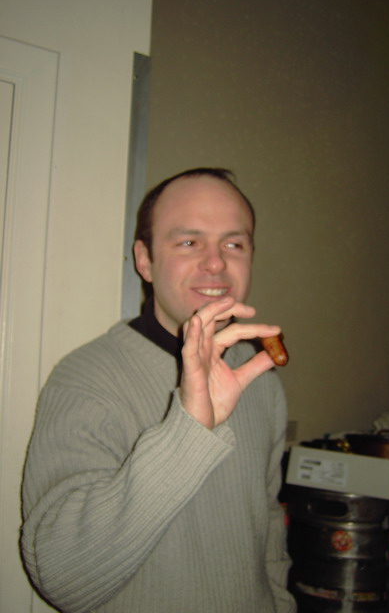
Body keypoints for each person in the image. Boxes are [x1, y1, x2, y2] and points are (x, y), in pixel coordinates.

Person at [21, 167, 296, 613]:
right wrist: (189, 431)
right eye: (189, 242)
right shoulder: (85, 379)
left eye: (234, 244)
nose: (216, 263)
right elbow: (62, 577)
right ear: (145, 260)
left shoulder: (259, 376)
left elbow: (265, 521)